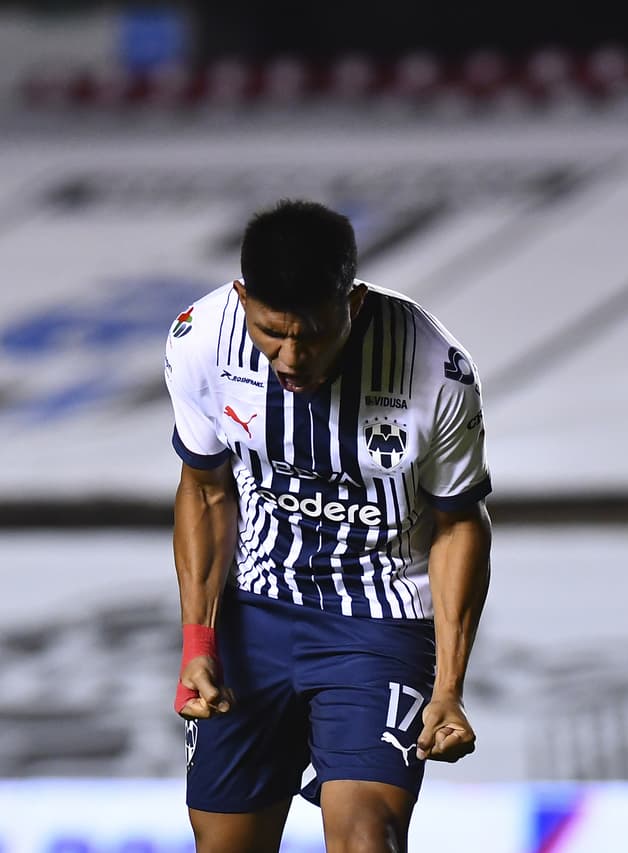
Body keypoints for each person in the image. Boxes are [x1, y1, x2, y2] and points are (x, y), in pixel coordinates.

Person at [164, 199, 493, 852]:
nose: (290, 356)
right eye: (270, 333)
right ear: (241, 299)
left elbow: (460, 522)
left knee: (368, 835)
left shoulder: (435, 369)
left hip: (378, 621)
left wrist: (449, 686)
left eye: (311, 334)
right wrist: (198, 640)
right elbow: (205, 489)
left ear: (355, 304)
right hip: (253, 614)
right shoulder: (200, 338)